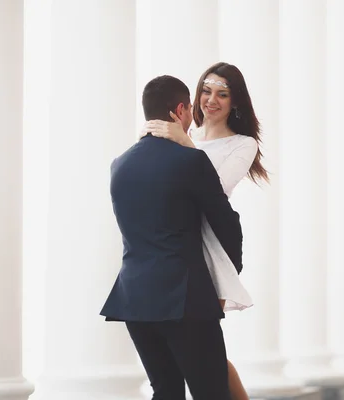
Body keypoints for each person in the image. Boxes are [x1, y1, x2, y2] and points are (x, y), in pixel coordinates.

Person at [100, 74, 243, 400]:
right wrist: (229, 275)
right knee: (212, 392)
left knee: (165, 391)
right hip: (185, 297)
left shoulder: (119, 164)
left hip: (134, 298)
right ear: (180, 110)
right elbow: (226, 224)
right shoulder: (190, 160)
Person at [142, 62, 269, 400]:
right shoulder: (184, 135)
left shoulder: (242, 145)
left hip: (209, 252)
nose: (212, 100)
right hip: (171, 248)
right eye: (207, 91)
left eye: (223, 94)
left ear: (235, 102)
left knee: (205, 353)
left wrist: (183, 142)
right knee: (197, 356)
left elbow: (217, 186)